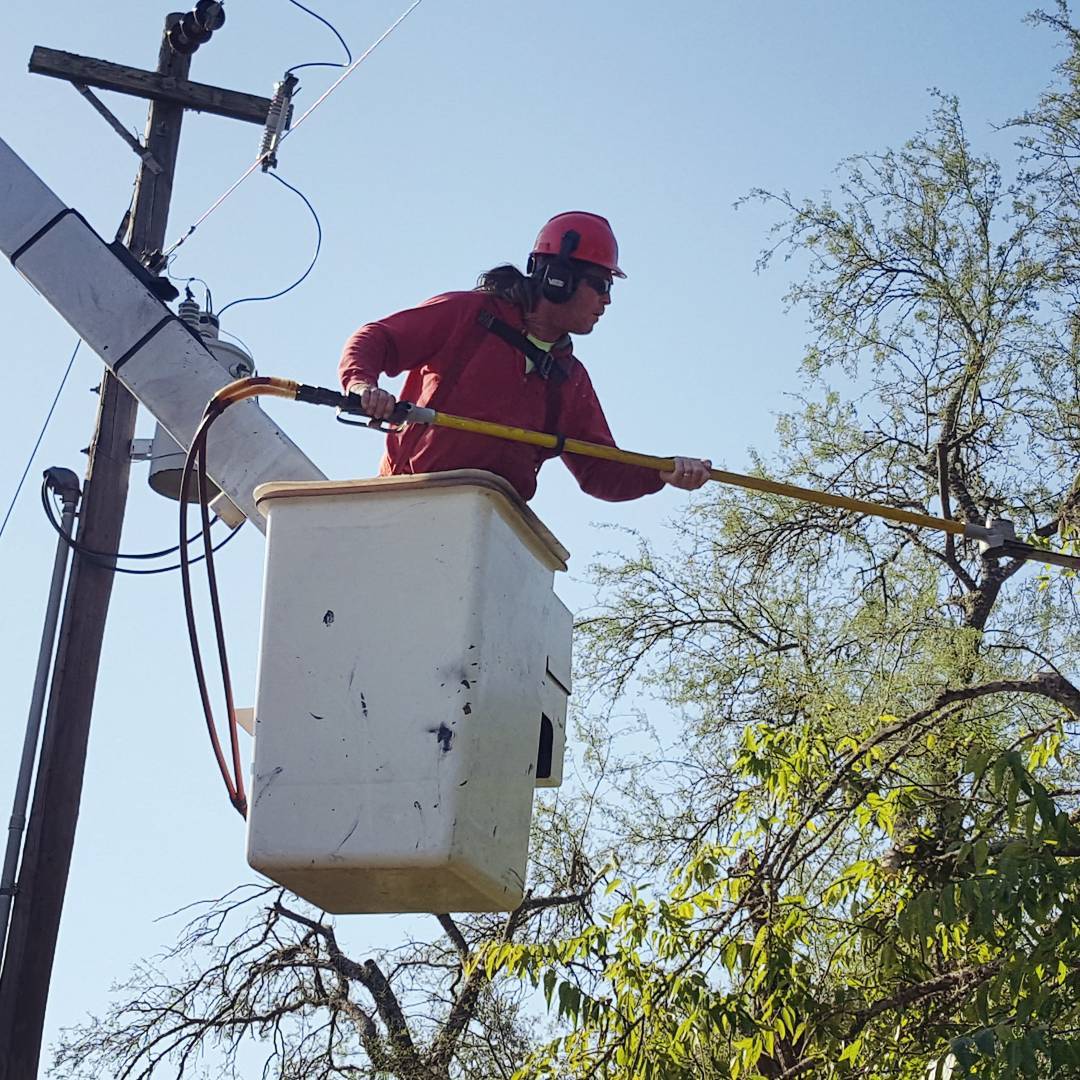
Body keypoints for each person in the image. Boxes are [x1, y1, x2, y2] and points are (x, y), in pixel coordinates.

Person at [338, 211, 711, 502]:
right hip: (413, 497)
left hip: (493, 520)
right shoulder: (468, 316)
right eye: (600, 285)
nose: (607, 300)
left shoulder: (569, 377)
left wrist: (661, 473)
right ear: (558, 279)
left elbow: (600, 471)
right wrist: (360, 384)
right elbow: (377, 338)